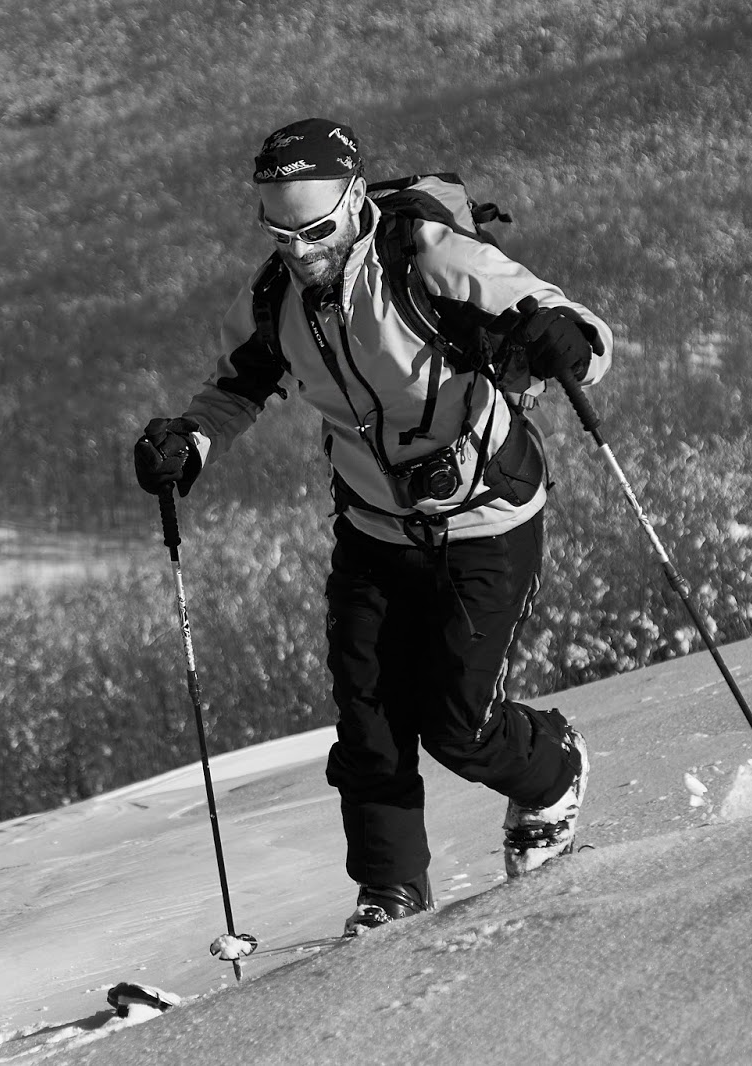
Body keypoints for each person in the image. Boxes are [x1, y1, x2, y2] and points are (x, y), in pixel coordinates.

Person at [132, 117, 613, 937]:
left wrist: (562, 338)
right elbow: (237, 387)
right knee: (370, 723)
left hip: (485, 519)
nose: (300, 251)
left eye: (316, 231)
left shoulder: (429, 258)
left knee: (459, 726)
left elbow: (585, 339)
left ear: (356, 199)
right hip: (373, 530)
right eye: (281, 233)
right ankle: (390, 895)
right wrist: (190, 443)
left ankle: (552, 769)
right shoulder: (278, 297)